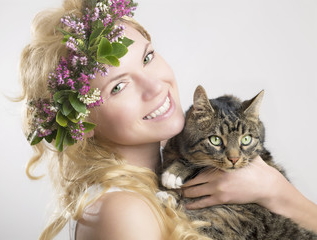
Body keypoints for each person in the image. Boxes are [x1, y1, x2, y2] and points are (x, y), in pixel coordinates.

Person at [18, 0, 317, 239]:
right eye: (118, 87)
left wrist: (279, 193)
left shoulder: (171, 175)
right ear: (84, 126)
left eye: (147, 58)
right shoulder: (123, 211)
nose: (155, 86)